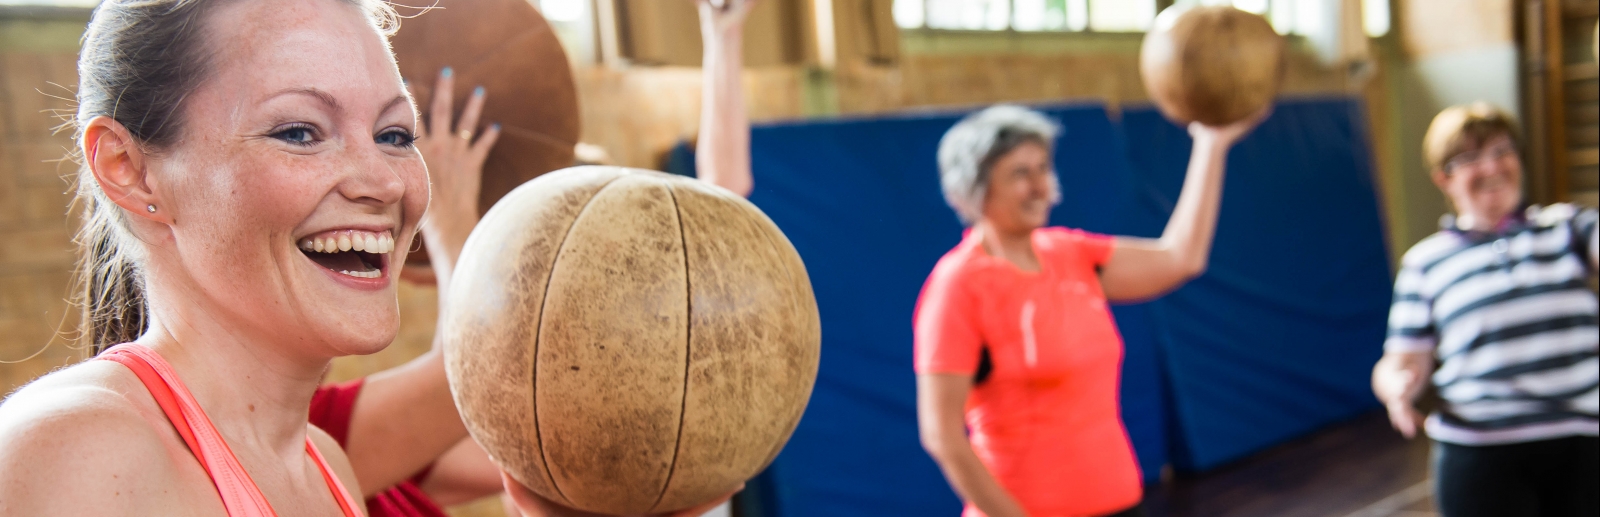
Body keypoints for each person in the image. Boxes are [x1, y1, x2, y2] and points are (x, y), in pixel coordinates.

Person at [0, 1, 728, 516]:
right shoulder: (79, 453)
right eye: (298, 131)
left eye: (394, 135)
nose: (384, 181)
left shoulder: (325, 465)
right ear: (130, 169)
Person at [914, 105, 1264, 517]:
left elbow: (1181, 258)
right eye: (1019, 174)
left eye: (1043, 168)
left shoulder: (1070, 253)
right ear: (975, 189)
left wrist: (1210, 145)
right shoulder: (957, 286)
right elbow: (941, 434)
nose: (1039, 186)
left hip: (1120, 502)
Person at [1371, 102, 1598, 517]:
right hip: (1480, 450)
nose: (1492, 166)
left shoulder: (1567, 227)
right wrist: (1398, 388)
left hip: (1582, 439)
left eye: (1502, 151)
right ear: (1445, 178)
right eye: (1471, 158)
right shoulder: (1425, 263)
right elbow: (1401, 359)